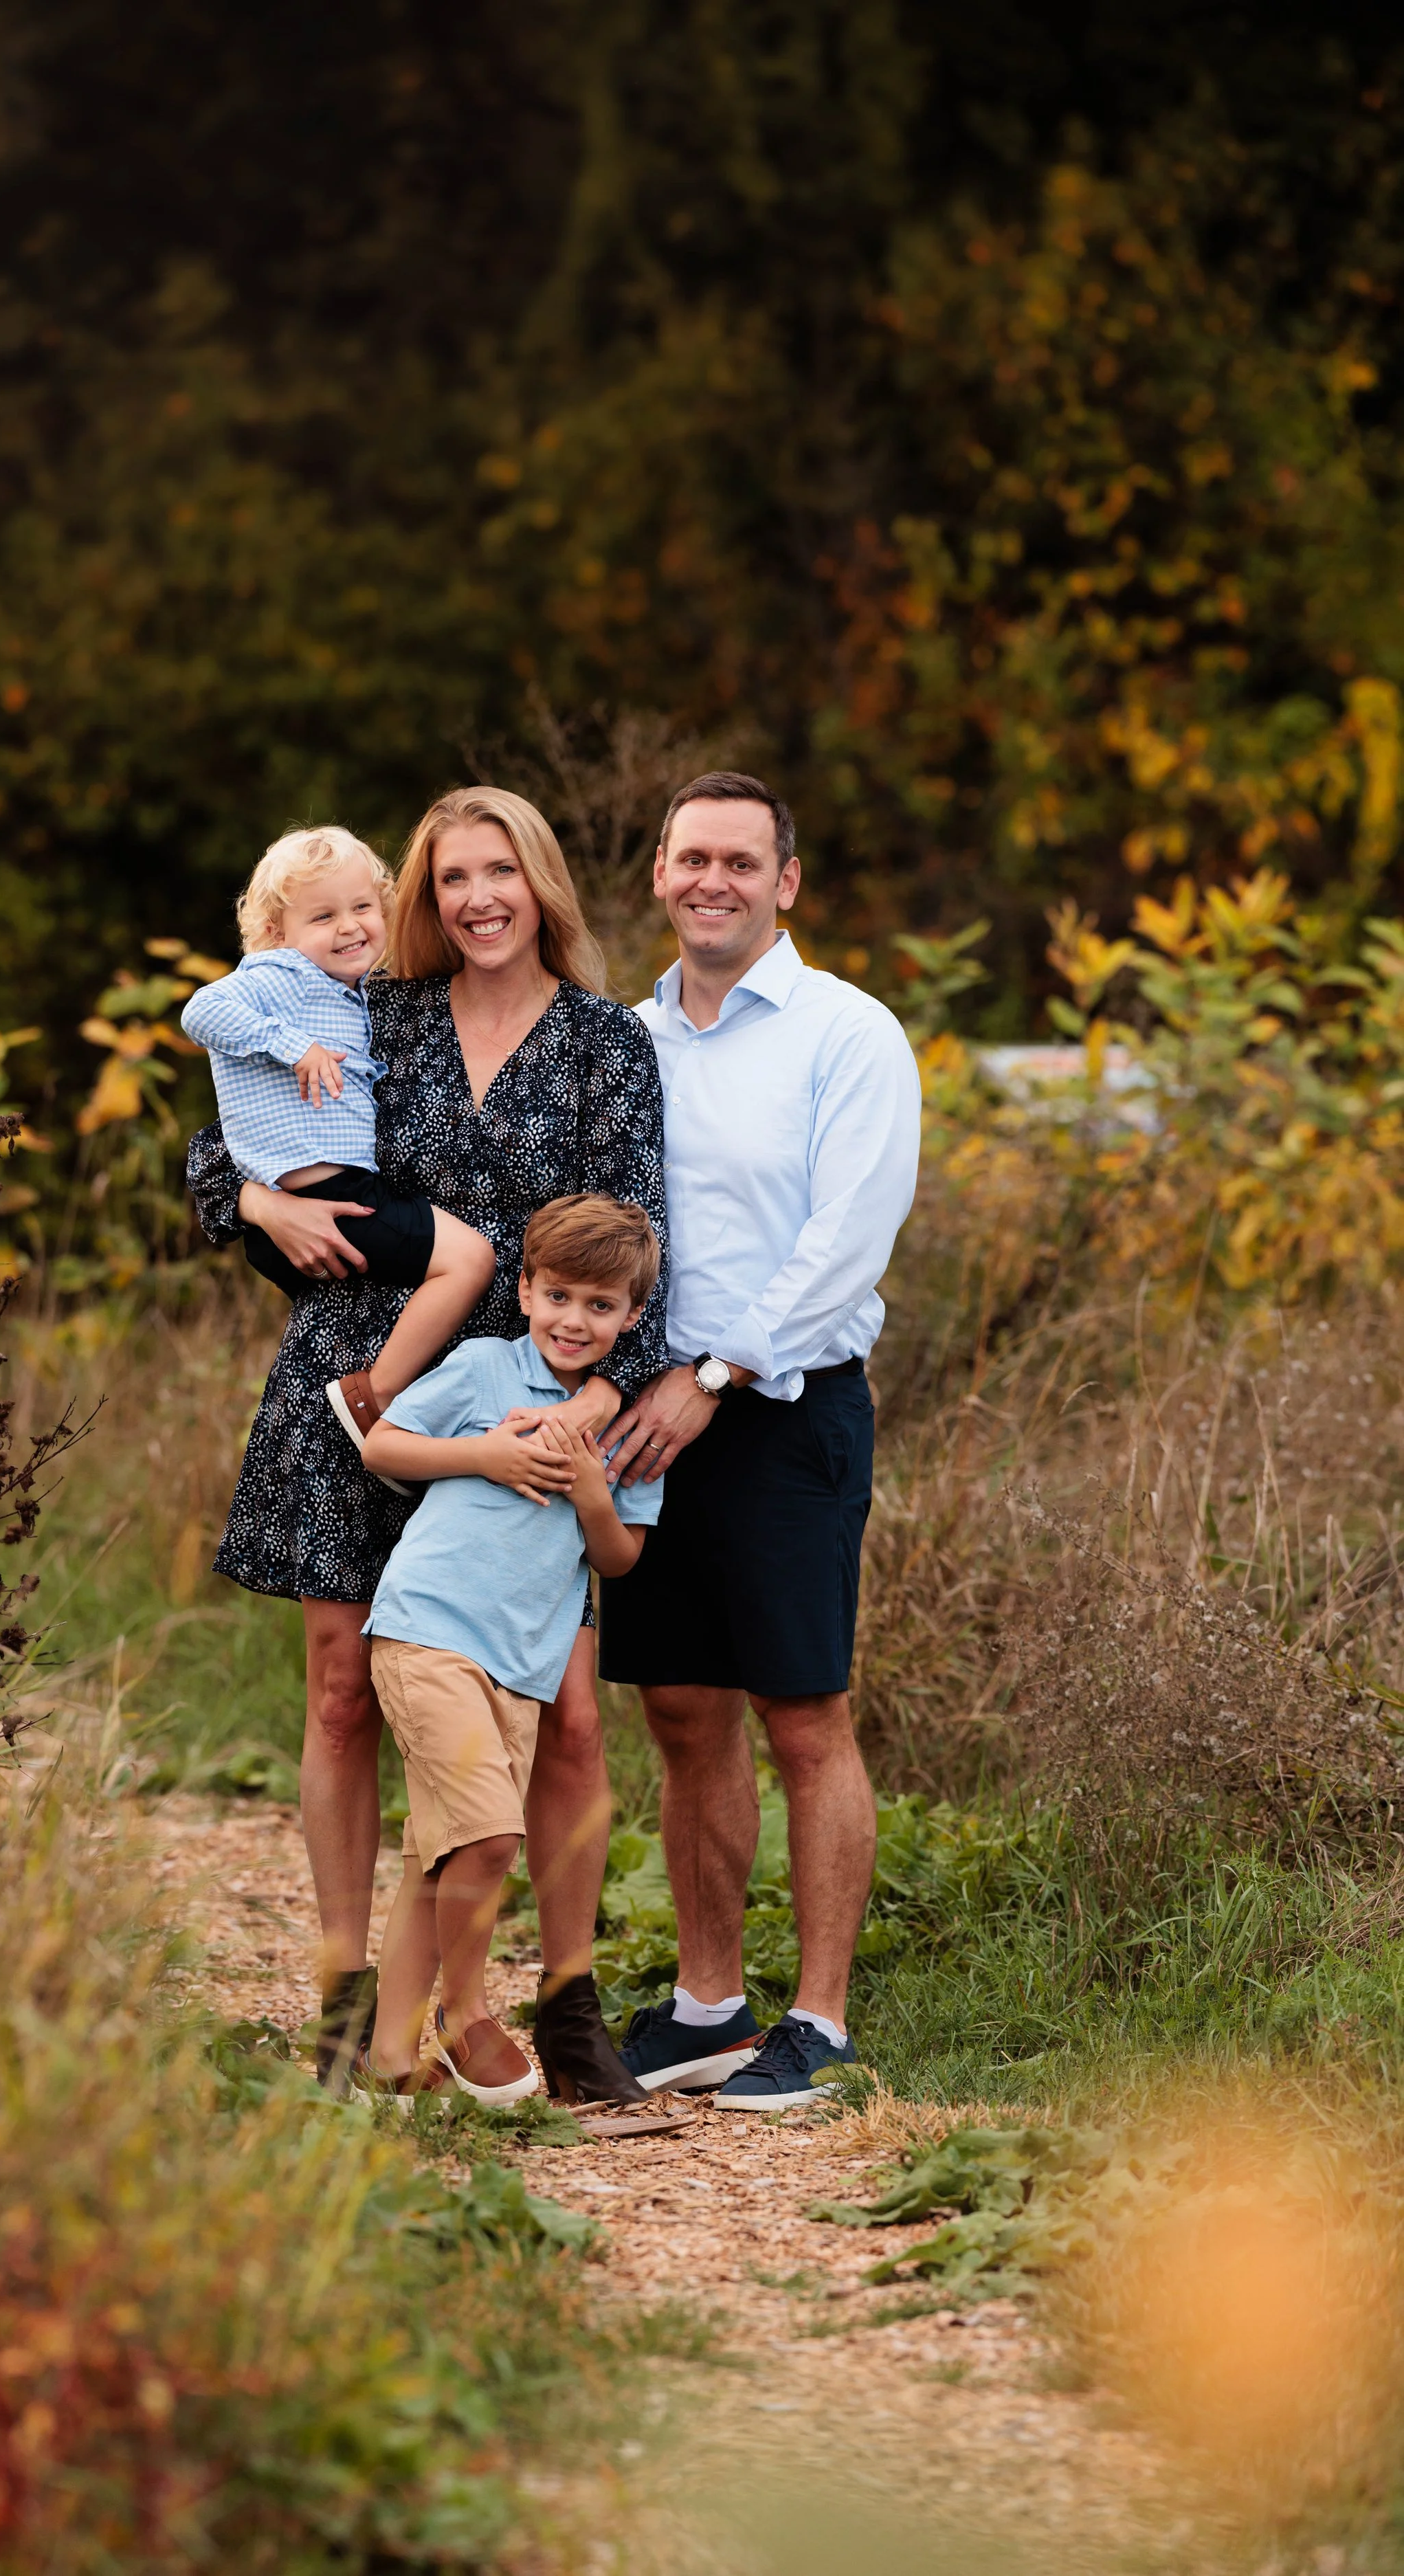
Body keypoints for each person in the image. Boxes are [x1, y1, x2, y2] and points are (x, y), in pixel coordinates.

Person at [185, 787, 668, 2113]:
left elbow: (642, 1240)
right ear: (425, 894)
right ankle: (351, 1997)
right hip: (356, 1384)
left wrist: (593, 1411)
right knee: (345, 1687)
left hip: (532, 1402)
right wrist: (252, 1196)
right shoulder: (375, 1006)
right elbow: (208, 1132)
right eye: (452, 876)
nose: (477, 899)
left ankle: (561, 2003)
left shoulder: (604, 1046)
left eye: (499, 872)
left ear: (542, 883)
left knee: (563, 1712)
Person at [597, 770, 922, 2109]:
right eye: (690, 858)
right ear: (661, 875)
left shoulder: (847, 1033)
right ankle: (707, 2005)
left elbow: (845, 1239)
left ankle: (822, 2022)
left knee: (802, 1710)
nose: (710, 880)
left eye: (740, 859)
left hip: (784, 1409)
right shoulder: (625, 1036)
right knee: (679, 1707)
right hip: (645, 1417)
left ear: (784, 881)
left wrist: (714, 1373)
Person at [358, 1196, 664, 2102]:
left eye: (601, 1306)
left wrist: (590, 1493)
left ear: (632, 1317)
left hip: (524, 1666)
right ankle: (463, 2014)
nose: (576, 1320)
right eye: (559, 1295)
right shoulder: (486, 1369)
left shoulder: (621, 1427)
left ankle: (386, 2072)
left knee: (441, 1856)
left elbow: (620, 1558)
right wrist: (484, 1457)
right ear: (525, 1290)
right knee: (490, 1838)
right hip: (429, 1630)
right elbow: (384, 1443)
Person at [181, 826, 495, 1481]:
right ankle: (372, 1402)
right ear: (276, 931)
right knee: (470, 1260)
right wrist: (289, 1045)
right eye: (322, 915)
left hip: (325, 1204)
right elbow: (201, 1012)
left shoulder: (355, 994)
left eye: (362, 908)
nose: (349, 927)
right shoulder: (282, 977)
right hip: (324, 1200)